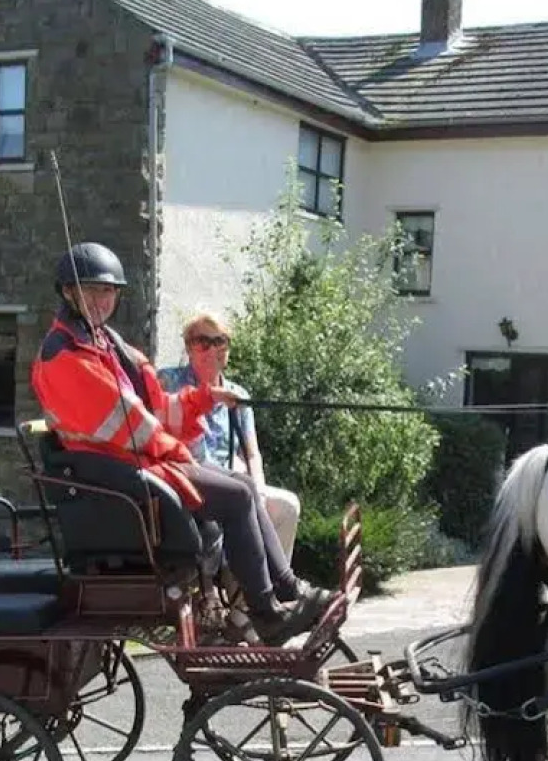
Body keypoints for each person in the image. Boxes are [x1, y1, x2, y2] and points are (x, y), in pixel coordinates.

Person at [30, 241, 332, 646]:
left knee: (242, 487)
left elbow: (156, 407)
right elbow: (134, 429)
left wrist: (205, 398)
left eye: (109, 291)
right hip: (120, 477)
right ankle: (267, 612)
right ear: (69, 292)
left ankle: (287, 589)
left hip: (135, 464)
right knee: (237, 496)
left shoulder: (103, 343)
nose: (102, 300)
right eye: (92, 290)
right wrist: (182, 453)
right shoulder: (65, 356)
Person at [157, 311, 301, 559]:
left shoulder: (237, 394)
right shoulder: (168, 382)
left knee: (287, 506)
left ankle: (262, 588)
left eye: (219, 341)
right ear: (189, 348)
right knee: (238, 501)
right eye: (203, 342)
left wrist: (260, 490)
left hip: (236, 482)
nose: (212, 350)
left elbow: (252, 452)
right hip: (189, 484)